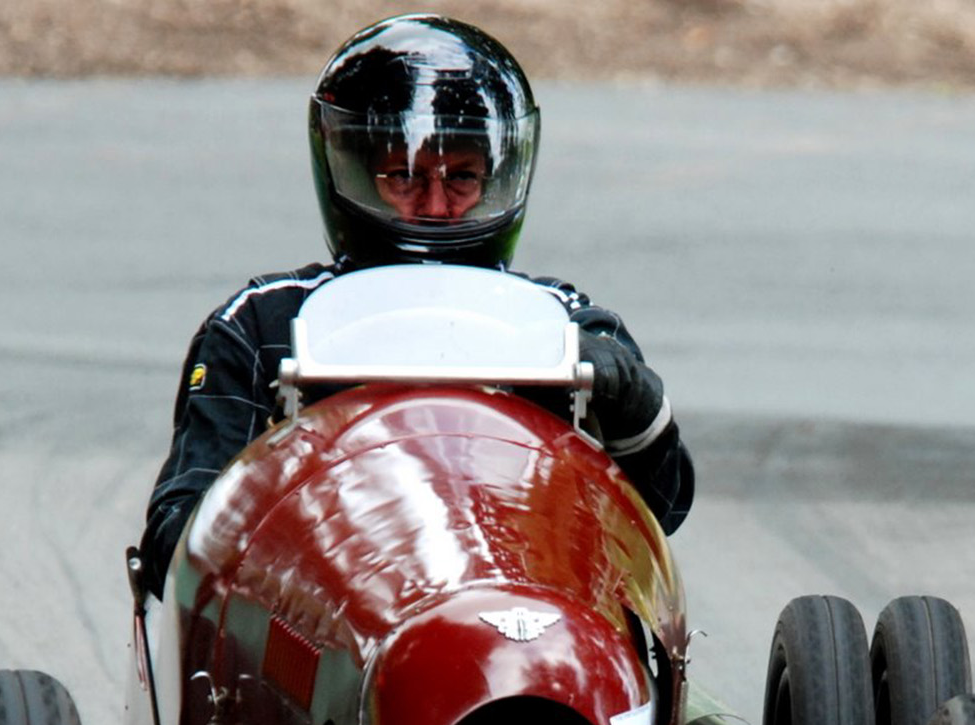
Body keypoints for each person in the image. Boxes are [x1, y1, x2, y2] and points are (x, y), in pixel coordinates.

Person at [138, 14, 693, 597]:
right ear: (350, 170)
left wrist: (633, 400)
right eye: (403, 176)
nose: (434, 205)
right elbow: (175, 539)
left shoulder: (563, 323)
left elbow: (665, 508)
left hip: (519, 602)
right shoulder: (262, 325)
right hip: (329, 612)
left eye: (462, 177)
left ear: (498, 177)